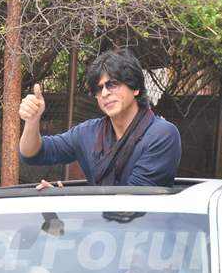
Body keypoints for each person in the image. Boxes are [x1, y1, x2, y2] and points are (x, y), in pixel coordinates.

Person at [19, 49, 181, 187]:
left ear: (135, 88)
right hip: (98, 221)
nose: (105, 93)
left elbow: (132, 203)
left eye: (113, 84)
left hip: (144, 223)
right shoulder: (88, 132)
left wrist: (69, 200)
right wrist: (32, 121)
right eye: (99, 88)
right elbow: (33, 154)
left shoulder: (162, 135)